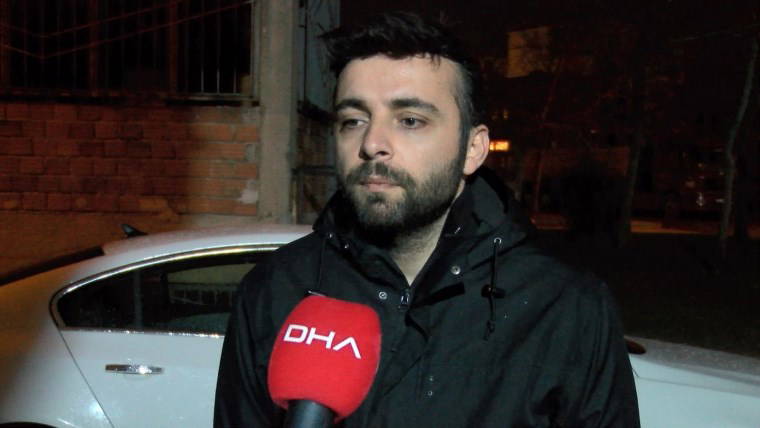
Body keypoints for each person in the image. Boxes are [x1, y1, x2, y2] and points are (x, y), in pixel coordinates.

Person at [214, 11, 639, 427]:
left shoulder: (566, 308)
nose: (372, 143)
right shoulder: (275, 290)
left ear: (473, 149)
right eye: (353, 120)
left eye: (410, 120)